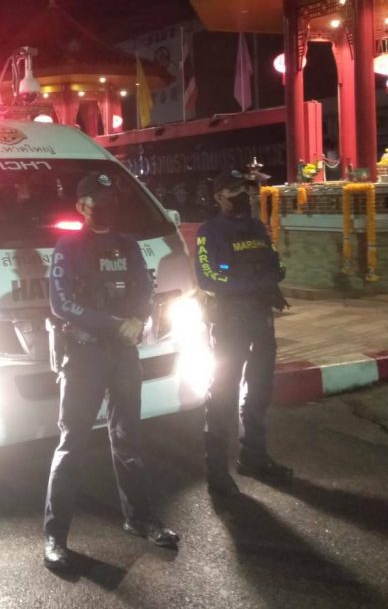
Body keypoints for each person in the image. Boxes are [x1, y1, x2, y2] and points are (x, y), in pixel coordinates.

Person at [42, 172, 179, 569]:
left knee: (128, 438)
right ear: (81, 206)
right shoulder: (67, 247)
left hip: (123, 355)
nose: (105, 206)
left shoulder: (127, 244)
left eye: (109, 199)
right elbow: (61, 304)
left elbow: (144, 288)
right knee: (72, 444)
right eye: (96, 200)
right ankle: (55, 535)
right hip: (84, 356)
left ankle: (139, 519)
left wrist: (138, 317)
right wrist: (114, 323)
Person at [195, 169, 292, 497]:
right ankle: (216, 471)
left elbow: (275, 263)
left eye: (244, 190)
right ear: (219, 197)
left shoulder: (256, 227)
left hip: (261, 320)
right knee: (223, 394)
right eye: (234, 190)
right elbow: (208, 277)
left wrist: (270, 276)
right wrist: (253, 283)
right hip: (230, 324)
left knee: (259, 390)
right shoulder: (210, 232)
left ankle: (254, 457)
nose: (242, 196)